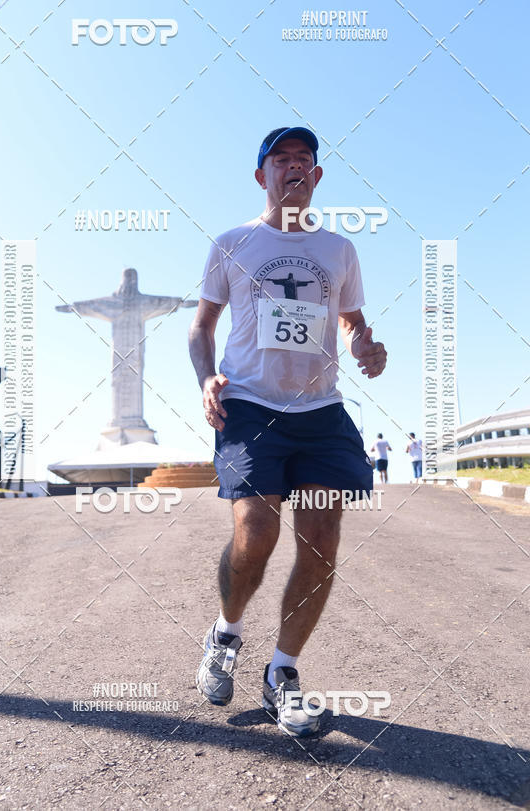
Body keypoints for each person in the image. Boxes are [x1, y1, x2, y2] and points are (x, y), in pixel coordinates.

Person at [188, 126, 387, 737]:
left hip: (321, 414)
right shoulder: (232, 243)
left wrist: (367, 346)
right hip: (249, 406)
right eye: (282, 159)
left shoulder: (339, 251)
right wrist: (206, 379)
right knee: (257, 528)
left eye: (305, 159)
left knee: (322, 539)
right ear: (262, 176)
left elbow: (353, 322)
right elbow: (200, 329)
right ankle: (226, 633)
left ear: (317, 177)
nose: (294, 166)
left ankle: (283, 674)